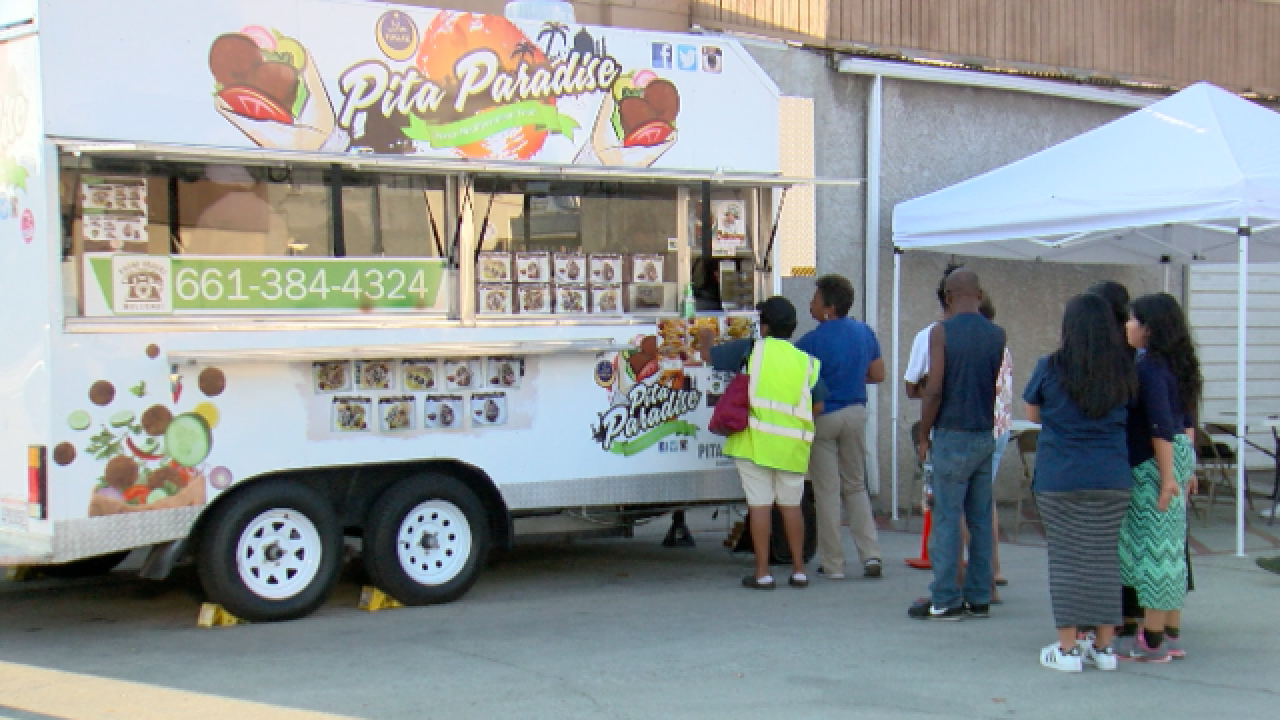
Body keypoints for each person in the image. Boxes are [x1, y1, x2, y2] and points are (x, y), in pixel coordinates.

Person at [1023, 293, 1138, 672]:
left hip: (1061, 476)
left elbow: (1033, 412)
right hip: (1112, 475)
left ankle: (1068, 648)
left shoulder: (1050, 367)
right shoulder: (1124, 368)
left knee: (1067, 560)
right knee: (1106, 559)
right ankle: (1104, 648)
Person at [705, 297, 825, 590]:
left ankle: (763, 573)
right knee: (791, 507)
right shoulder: (806, 362)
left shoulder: (751, 350)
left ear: (764, 326)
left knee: (759, 507)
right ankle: (798, 571)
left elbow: (709, 357)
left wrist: (705, 333)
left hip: (754, 444)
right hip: (793, 447)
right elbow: (818, 405)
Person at [909, 269, 1006, 620]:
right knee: (979, 518)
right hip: (984, 432)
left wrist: (924, 434)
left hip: (951, 432)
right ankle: (980, 595)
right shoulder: (997, 335)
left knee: (947, 518)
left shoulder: (941, 332)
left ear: (948, 296)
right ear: (979, 294)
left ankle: (946, 598)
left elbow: (935, 388)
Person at [1116, 293, 1201, 661]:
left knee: (1151, 550)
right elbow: (1186, 422)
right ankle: (1169, 630)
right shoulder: (1177, 365)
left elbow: (1159, 426)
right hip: (1175, 455)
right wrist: (1186, 469)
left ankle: (1151, 641)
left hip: (1154, 461)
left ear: (1148, 327)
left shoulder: (1148, 367)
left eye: (1133, 320)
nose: (1127, 326)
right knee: (1170, 548)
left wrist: (1168, 476)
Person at [795, 275, 885, 580]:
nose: (812, 304)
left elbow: (799, 382)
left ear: (829, 307)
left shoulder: (811, 341)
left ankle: (833, 563)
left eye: (816, 299)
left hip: (824, 416)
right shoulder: (864, 332)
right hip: (856, 411)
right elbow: (878, 373)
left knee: (827, 491)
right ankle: (871, 554)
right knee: (856, 485)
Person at [980, 296, 1013, 592]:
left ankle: (986, 569)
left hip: (980, 428)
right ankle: (993, 566)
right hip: (1000, 427)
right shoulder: (1002, 344)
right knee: (985, 499)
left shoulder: (979, 344)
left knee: (970, 502)